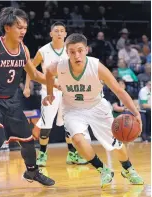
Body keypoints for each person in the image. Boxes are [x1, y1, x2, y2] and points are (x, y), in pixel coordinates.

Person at [43, 33, 144, 188]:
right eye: (72, 51)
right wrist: (50, 93)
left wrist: (136, 113)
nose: (76, 55)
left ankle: (128, 168)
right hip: (72, 109)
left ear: (86, 50)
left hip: (97, 107)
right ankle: (103, 170)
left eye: (80, 50)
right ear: (66, 52)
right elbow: (48, 73)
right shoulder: (60, 66)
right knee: (77, 140)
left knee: (116, 143)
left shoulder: (96, 66)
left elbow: (119, 91)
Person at [0, 7, 55, 186]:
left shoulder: (24, 50)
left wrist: (57, 84)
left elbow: (35, 75)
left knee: (28, 141)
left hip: (12, 102)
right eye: (19, 27)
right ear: (7, 27)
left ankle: (32, 172)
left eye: (25, 28)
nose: (23, 31)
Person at [23, 21, 88, 166]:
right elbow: (31, 68)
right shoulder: (43, 50)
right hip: (49, 91)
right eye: (56, 31)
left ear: (66, 34)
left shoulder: (70, 50)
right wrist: (27, 86)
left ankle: (72, 154)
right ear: (51, 33)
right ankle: (42, 155)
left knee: (69, 124)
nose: (59, 33)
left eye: (62, 31)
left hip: (67, 92)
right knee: (46, 125)